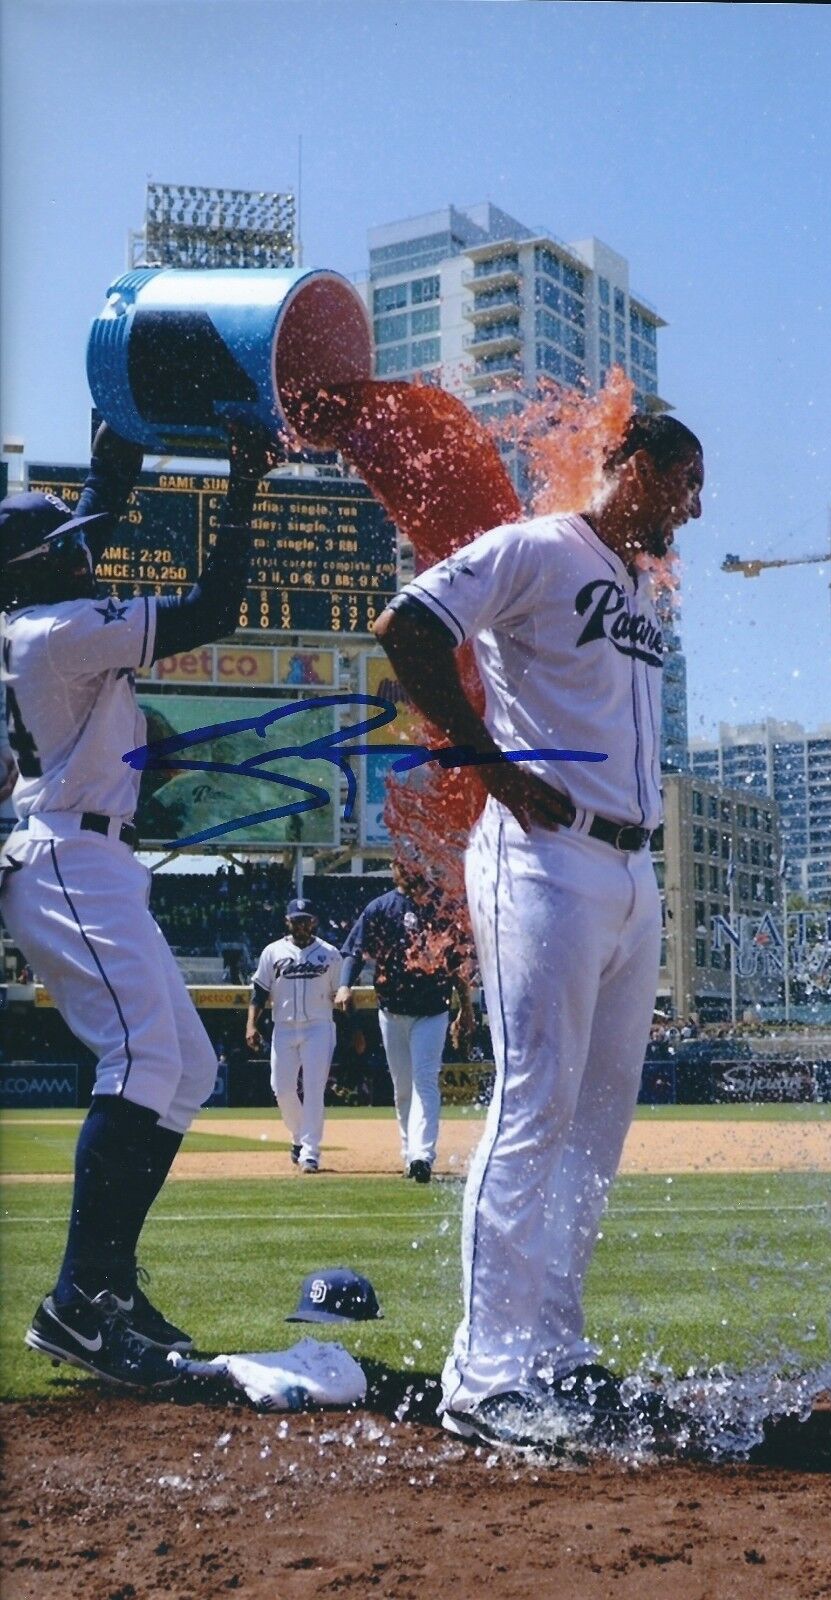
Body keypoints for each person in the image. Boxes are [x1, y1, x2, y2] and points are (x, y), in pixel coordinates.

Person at [373, 410, 703, 1450]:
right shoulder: (536, 546)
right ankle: (483, 1373)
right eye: (686, 481)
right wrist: (485, 764)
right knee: (534, 1107)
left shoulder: (640, 583)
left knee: (595, 1128)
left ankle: (554, 1350)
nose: (695, 506)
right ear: (636, 466)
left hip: (629, 866)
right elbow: (409, 625)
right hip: (545, 851)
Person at [0, 419, 277, 1387]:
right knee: (144, 1055)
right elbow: (214, 607)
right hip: (71, 855)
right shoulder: (58, 631)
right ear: (38, 567)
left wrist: (114, 452)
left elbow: (73, 532)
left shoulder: (36, 613)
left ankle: (108, 1282)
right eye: (70, 546)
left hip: (84, 855)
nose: (88, 550)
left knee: (186, 1063)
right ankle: (82, 1302)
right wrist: (242, 487)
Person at [334, 859, 475, 1183]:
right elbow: (355, 951)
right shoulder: (380, 907)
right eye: (401, 864)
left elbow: (456, 964)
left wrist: (464, 1009)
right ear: (393, 867)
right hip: (392, 1011)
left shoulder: (438, 909)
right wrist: (344, 984)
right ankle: (410, 1152)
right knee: (402, 1089)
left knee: (425, 1080)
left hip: (431, 1012)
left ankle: (423, 1155)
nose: (408, 870)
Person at [245, 897, 340, 1173]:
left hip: (319, 1026)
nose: (301, 925)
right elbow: (259, 993)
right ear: (287, 921)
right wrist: (251, 1025)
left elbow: (340, 994)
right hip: (283, 1027)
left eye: (305, 920)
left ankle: (310, 1152)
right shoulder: (272, 952)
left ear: (314, 922)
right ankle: (299, 1135)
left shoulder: (330, 954)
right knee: (281, 1088)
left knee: (313, 1089)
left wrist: (354, 1028)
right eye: (296, 920)